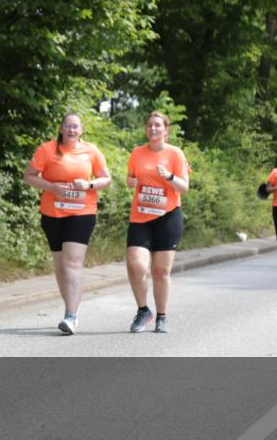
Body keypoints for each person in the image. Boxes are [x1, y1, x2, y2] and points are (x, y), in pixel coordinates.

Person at [23, 113, 111, 334]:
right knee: (61, 265)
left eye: (75, 127)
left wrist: (89, 184)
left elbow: (106, 179)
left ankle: (70, 316)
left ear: (81, 130)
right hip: (52, 213)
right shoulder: (47, 150)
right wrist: (52, 187)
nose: (72, 130)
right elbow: (29, 176)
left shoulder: (91, 151)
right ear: (61, 129)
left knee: (73, 262)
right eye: (68, 126)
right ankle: (70, 309)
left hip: (82, 213)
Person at [125, 111, 190, 334]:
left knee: (160, 271)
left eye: (157, 126)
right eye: (150, 125)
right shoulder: (137, 153)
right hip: (141, 216)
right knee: (136, 266)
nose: (153, 129)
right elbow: (130, 179)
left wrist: (169, 177)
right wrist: (131, 181)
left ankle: (161, 316)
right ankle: (143, 310)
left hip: (168, 217)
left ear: (166, 130)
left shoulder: (175, 154)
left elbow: (184, 187)